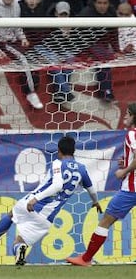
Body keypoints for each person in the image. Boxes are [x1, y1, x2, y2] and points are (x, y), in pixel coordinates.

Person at [0, 135, 102, 265]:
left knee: (12, 214)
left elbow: (57, 185)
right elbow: (91, 190)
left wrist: (36, 199)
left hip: (31, 204)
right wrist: (95, 202)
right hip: (46, 218)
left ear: (59, 150)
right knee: (19, 242)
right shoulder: (82, 169)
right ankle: (20, 249)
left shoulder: (57, 163)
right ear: (74, 151)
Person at [67, 103, 136, 266]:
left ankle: (85, 259)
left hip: (131, 189)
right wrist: (126, 162)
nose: (125, 116)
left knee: (105, 221)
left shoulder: (132, 134)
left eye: (128, 113)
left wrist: (125, 170)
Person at [0, 0, 43, 110]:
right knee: (24, 61)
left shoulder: (16, 5)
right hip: (2, 44)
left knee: (34, 59)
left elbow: (17, 27)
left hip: (14, 42)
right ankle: (31, 93)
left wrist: (23, 39)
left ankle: (32, 91)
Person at [78, 0, 120, 103]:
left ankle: (105, 91)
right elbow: (78, 37)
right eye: (99, 3)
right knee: (105, 59)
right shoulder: (85, 14)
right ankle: (107, 91)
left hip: (102, 46)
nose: (102, 6)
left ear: (108, 3)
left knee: (105, 57)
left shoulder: (111, 12)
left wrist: (117, 50)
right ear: (94, 3)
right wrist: (87, 54)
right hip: (86, 45)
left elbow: (113, 33)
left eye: (105, 3)